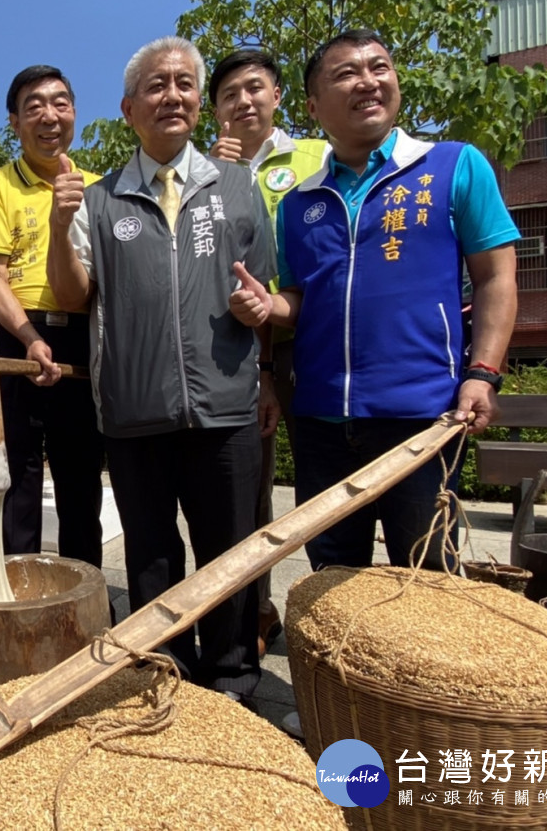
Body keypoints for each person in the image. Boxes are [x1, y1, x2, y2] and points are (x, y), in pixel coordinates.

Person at [230, 29, 519, 574]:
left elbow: (496, 277)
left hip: (423, 417)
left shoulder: (453, 165)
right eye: (346, 74)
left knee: (426, 579)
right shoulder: (298, 203)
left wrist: (482, 372)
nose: (368, 82)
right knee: (334, 578)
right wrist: (269, 309)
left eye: (379, 67)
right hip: (319, 420)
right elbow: (299, 298)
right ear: (315, 106)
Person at [46, 37, 274, 710]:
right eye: (155, 85)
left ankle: (233, 681)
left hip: (225, 404)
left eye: (183, 84)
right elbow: (70, 296)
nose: (170, 95)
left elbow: (269, 289)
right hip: (132, 410)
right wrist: (62, 227)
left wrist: (257, 307)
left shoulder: (238, 185)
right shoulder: (99, 197)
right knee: (150, 556)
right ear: (127, 108)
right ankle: (162, 673)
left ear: (200, 103)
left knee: (229, 554)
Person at [208, 49, 330, 658]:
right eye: (229, 95)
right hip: (247, 350)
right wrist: (217, 175)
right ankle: (256, 610)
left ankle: (338, 612)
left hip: (316, 339)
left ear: (279, 96)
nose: (243, 102)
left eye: (254, 88)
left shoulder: (318, 154)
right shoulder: (204, 169)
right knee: (250, 489)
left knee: (327, 481)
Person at [0, 66, 106, 567]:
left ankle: (88, 597)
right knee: (18, 479)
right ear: (14, 121)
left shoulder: (100, 187)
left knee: (81, 480)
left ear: (74, 113)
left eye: (61, 103)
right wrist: (28, 337)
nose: (49, 116)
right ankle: (20, 599)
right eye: (34, 106)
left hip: (84, 340)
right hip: (14, 340)